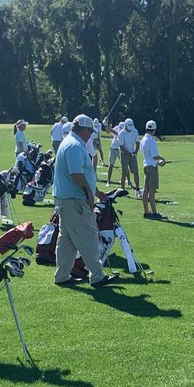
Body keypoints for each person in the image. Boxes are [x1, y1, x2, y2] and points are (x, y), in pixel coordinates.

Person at [52, 115, 119, 288]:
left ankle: (62, 275)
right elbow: (76, 174)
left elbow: (83, 174)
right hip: (75, 201)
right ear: (84, 129)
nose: (91, 135)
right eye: (90, 131)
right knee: (88, 236)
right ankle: (97, 276)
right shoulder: (74, 146)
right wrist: (89, 192)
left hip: (65, 200)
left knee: (66, 239)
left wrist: (97, 192)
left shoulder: (69, 142)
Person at [140, 120, 166, 219]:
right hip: (152, 167)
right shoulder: (151, 140)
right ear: (154, 130)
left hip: (146, 166)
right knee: (152, 191)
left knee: (146, 190)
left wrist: (158, 162)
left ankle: (146, 212)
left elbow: (149, 157)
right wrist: (162, 159)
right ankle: (154, 213)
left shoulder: (143, 139)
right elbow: (155, 156)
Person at [118, 117, 141, 195]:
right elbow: (121, 147)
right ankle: (122, 191)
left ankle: (137, 190)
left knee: (135, 172)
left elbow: (137, 143)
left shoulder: (135, 131)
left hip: (132, 153)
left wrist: (135, 151)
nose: (130, 129)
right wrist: (129, 153)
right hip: (124, 154)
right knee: (124, 172)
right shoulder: (121, 133)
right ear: (125, 126)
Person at [106, 121, 122, 185]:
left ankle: (128, 181)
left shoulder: (124, 131)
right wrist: (106, 124)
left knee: (124, 166)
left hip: (120, 150)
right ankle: (108, 181)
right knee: (111, 165)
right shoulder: (117, 127)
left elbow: (117, 133)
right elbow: (108, 132)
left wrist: (108, 127)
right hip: (113, 148)